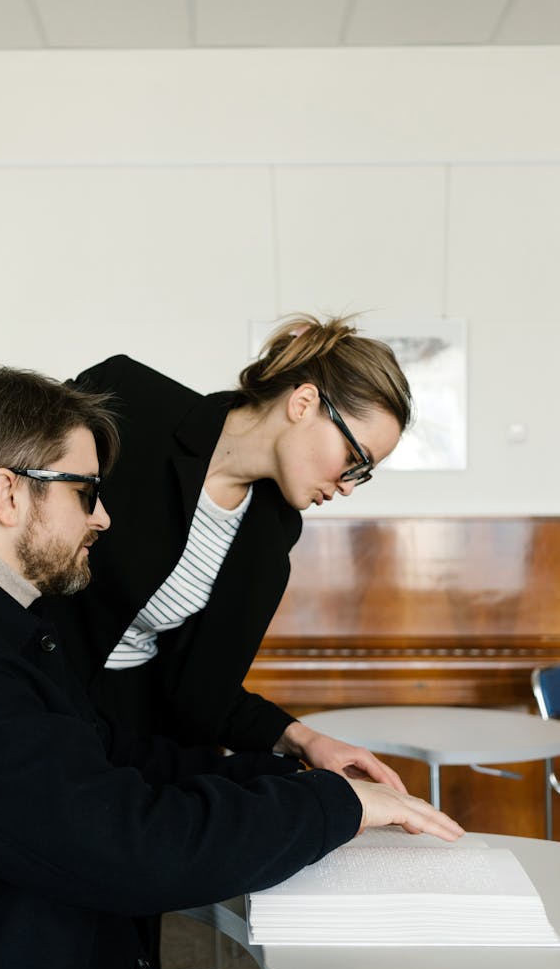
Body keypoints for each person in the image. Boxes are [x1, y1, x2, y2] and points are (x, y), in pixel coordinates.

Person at [0, 364, 463, 969]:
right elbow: (134, 845)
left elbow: (117, 757)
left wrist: (292, 776)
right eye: (86, 492)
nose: (104, 515)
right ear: (7, 493)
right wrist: (332, 808)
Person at [57, 314, 410, 785]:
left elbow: (203, 692)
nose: (349, 486)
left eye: (362, 473)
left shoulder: (274, 531)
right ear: (304, 403)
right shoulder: (127, 398)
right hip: (24, 697)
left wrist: (305, 740)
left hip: (131, 738)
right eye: (353, 459)